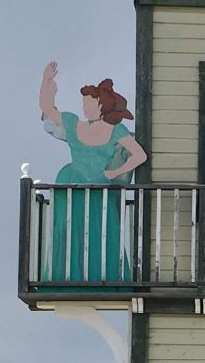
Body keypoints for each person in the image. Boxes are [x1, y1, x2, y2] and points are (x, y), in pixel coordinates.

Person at [39, 61, 147, 283]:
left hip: (99, 186)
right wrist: (47, 82)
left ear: (101, 105)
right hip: (70, 181)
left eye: (89, 103)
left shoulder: (116, 129)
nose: (85, 108)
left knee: (101, 230)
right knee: (69, 230)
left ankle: (104, 277)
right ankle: (66, 277)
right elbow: (47, 109)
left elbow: (139, 155)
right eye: (84, 104)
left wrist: (115, 171)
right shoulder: (74, 124)